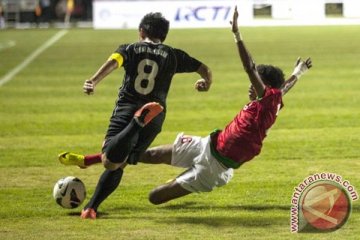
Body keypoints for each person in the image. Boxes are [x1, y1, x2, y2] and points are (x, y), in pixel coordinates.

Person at [123, 6, 312, 205]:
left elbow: (250, 67)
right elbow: (284, 88)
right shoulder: (273, 99)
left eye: (256, 83)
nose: (250, 87)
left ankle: (179, 180)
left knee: (154, 197)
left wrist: (237, 34)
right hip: (208, 144)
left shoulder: (267, 100)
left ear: (267, 87)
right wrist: (298, 73)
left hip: (215, 168)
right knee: (150, 154)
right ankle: (111, 157)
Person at [59, 12, 212, 219]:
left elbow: (113, 62)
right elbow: (205, 69)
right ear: (164, 36)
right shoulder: (174, 54)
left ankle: (135, 123)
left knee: (110, 161)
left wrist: (94, 81)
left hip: (127, 109)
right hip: (156, 115)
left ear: (141, 32)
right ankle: (90, 208)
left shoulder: (129, 48)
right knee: (120, 163)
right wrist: (206, 83)